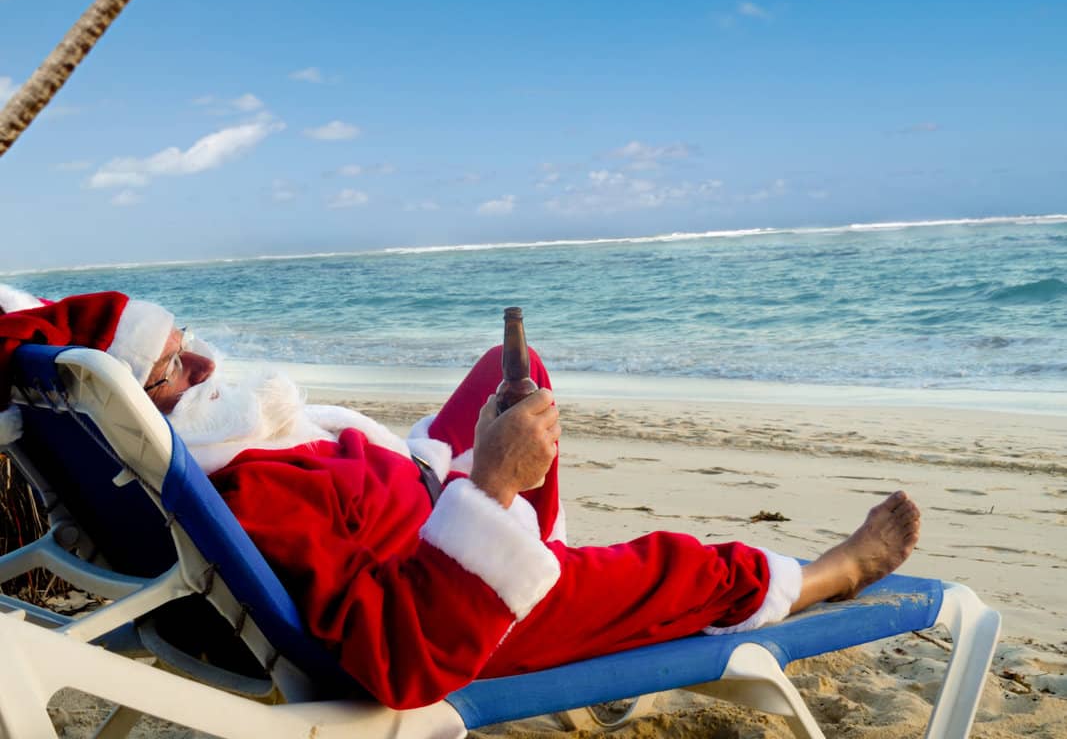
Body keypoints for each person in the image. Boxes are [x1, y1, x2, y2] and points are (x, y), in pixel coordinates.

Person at [0, 285, 920, 710]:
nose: (205, 363)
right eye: (171, 368)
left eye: (187, 339)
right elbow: (399, 660)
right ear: (127, 414)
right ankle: (825, 575)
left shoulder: (175, 461)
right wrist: (490, 486)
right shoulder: (257, 494)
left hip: (409, 503)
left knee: (508, 374)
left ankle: (536, 535)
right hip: (452, 589)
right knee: (681, 568)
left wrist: (463, 470)